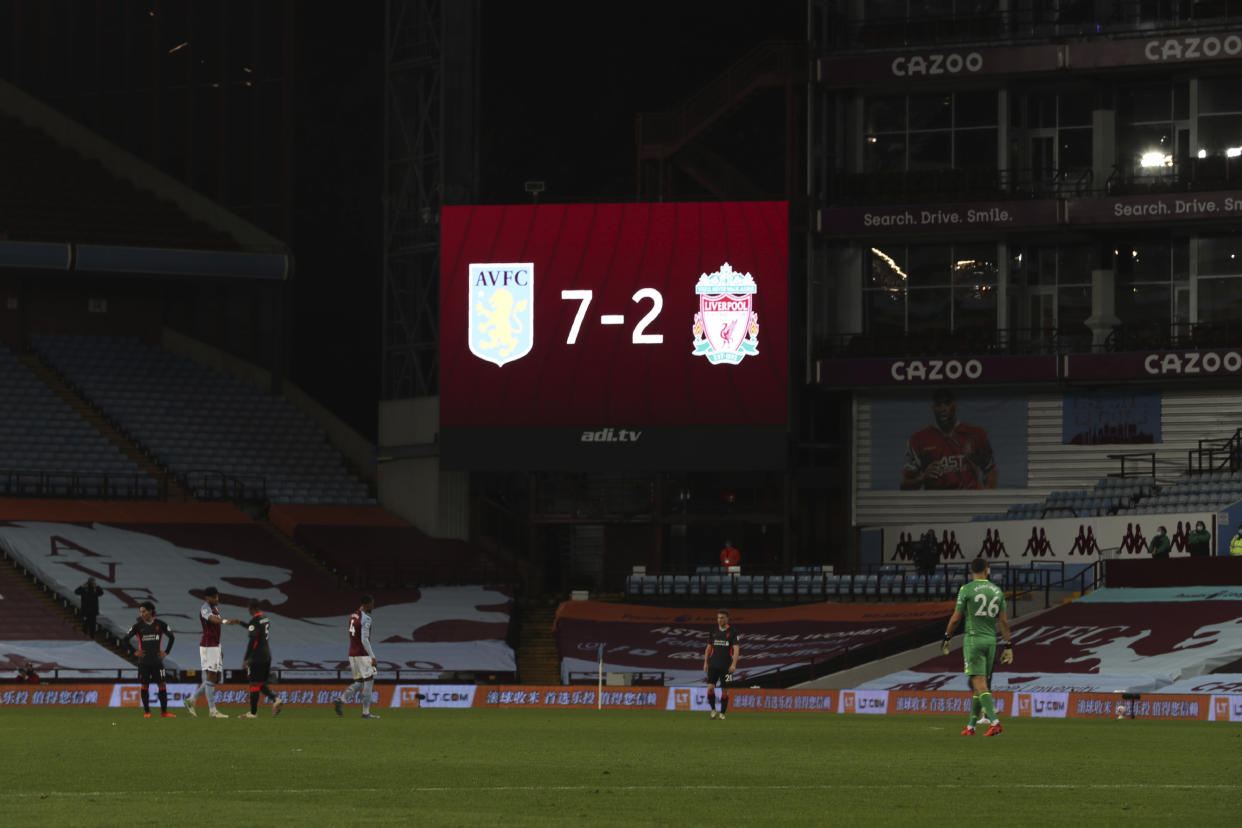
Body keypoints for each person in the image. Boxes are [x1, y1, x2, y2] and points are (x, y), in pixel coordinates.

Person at [941, 557, 1013, 737]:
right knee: (978, 685)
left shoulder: (967, 589)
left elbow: (956, 618)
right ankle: (971, 726)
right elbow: (1003, 621)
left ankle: (995, 722)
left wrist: (947, 636)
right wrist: (1009, 645)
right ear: (987, 570)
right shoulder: (997, 591)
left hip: (974, 641)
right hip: (991, 642)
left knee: (979, 683)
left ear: (971, 571)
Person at [901, 389, 998, 490]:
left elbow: (991, 470)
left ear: (955, 405)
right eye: (938, 404)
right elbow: (904, 485)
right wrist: (922, 478)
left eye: (947, 403)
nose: (943, 408)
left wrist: (985, 500)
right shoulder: (918, 440)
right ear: (933, 408)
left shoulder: (976, 434)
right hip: (938, 502)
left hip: (970, 501)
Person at [183, 586, 241, 719]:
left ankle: (191, 700)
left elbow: (215, 626)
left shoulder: (215, 608)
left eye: (217, 596)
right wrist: (226, 621)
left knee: (216, 678)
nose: (217, 598)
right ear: (207, 598)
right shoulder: (205, 608)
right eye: (214, 597)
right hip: (208, 645)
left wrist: (219, 648)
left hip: (215, 645)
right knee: (211, 676)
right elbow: (212, 619)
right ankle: (212, 710)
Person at [333, 595, 381, 719]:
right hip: (362, 654)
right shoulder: (366, 618)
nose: (373, 606)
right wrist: (373, 657)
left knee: (359, 682)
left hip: (352, 654)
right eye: (372, 604)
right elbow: (364, 639)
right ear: (366, 604)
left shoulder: (353, 616)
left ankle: (341, 699)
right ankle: (366, 713)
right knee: (369, 682)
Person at [125, 601, 176, 718]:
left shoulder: (160, 624)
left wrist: (166, 652)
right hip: (144, 663)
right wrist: (135, 652)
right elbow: (125, 639)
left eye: (144, 611)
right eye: (140, 612)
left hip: (158, 663)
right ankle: (147, 712)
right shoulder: (137, 626)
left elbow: (172, 637)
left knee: (162, 684)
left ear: (151, 611)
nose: (142, 614)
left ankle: (164, 712)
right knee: (144, 686)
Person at [239, 598, 284, 719]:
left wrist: (246, 658)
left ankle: (253, 713)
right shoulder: (265, 618)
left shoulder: (255, 621)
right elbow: (253, 628)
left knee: (253, 683)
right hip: (267, 656)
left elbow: (253, 640)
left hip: (257, 657)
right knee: (259, 683)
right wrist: (240, 623)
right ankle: (275, 699)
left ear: (251, 608)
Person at [702, 609, 739, 721]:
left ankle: (722, 713)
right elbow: (708, 648)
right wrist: (705, 662)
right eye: (718, 617)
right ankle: (713, 710)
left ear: (727, 619)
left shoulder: (733, 632)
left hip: (726, 666)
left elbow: (736, 650)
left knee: (725, 690)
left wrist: (734, 665)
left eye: (722, 617)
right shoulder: (713, 631)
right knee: (710, 688)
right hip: (713, 665)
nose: (720, 620)